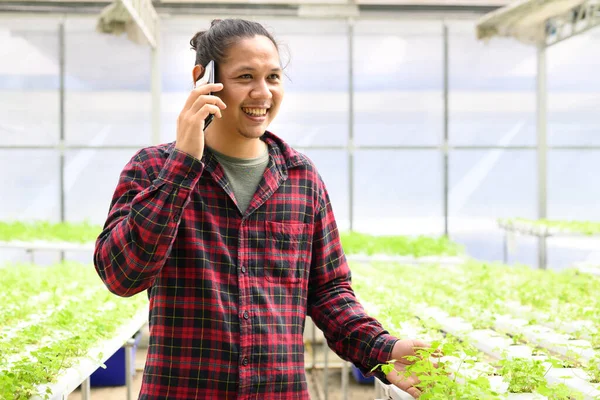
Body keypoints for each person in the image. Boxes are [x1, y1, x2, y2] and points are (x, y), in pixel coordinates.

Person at [94, 18, 432, 399]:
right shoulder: (153, 169)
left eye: (273, 76)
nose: (263, 92)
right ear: (202, 79)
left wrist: (383, 350)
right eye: (245, 77)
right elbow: (122, 276)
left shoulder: (301, 178)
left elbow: (328, 292)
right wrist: (183, 163)